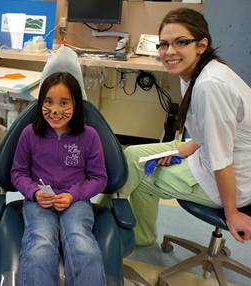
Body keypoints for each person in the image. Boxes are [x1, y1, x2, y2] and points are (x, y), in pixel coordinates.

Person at [97, 7, 251, 246]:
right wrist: (177, 152)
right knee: (132, 154)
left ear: (201, 45)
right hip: (208, 157)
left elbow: (222, 159)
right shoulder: (196, 73)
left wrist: (232, 214)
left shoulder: (210, 86)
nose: (169, 52)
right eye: (163, 44)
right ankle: (98, 219)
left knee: (139, 177)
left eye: (180, 42)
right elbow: (204, 135)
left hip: (230, 180)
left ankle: (124, 231)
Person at [11, 47, 108, 286]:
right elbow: (18, 173)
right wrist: (33, 192)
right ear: (40, 102)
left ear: (77, 104)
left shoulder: (89, 136)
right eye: (48, 102)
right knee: (40, 245)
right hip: (39, 201)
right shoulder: (29, 134)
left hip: (76, 201)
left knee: (82, 244)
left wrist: (73, 194)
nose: (55, 110)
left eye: (64, 102)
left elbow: (99, 178)